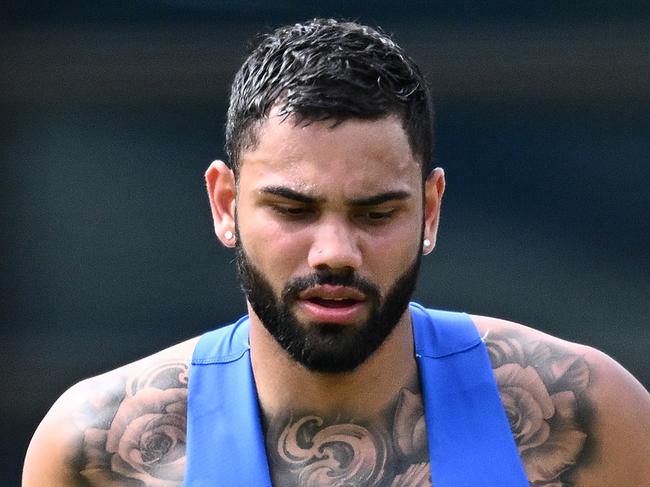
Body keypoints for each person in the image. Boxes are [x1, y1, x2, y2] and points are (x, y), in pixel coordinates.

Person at [23, 18, 650, 487]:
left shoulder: (594, 417)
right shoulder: (95, 455)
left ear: (430, 210)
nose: (335, 253)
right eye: (293, 210)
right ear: (224, 204)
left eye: (376, 213)